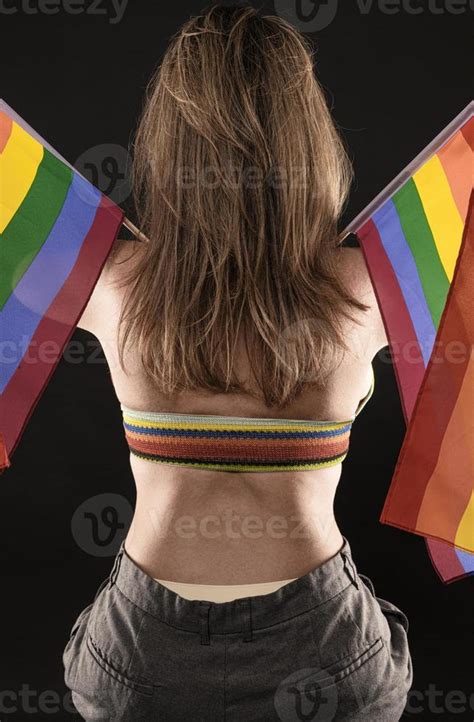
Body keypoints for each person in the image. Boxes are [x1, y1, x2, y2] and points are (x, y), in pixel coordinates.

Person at [62, 4, 413, 719]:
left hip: (139, 661)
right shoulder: (370, 287)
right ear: (309, 144)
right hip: (327, 653)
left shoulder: (110, 282)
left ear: (169, 147)